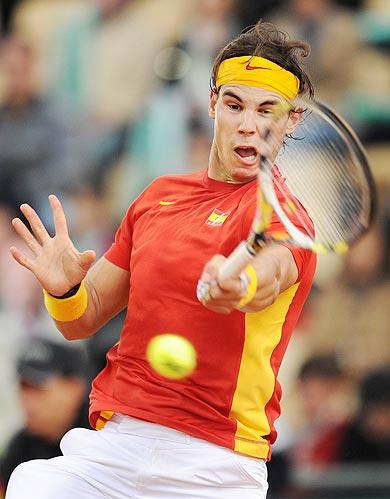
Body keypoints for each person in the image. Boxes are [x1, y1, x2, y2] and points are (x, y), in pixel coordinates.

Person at [6, 21, 317, 499]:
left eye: (267, 110)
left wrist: (243, 286)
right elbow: (81, 318)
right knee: (31, 486)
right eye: (234, 105)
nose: (248, 124)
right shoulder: (158, 197)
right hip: (115, 447)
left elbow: (270, 272)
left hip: (215, 465)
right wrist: (64, 288)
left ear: (291, 120)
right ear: (213, 104)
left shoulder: (285, 217)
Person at [0, 338, 89, 493]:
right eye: (24, 388)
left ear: (75, 387)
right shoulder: (21, 447)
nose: (28, 401)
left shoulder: (101, 434)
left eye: (38, 388)